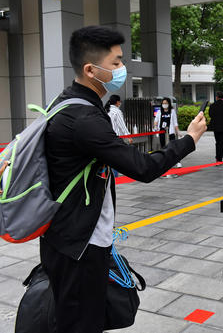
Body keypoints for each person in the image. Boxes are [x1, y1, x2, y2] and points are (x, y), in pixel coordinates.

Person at [41, 25, 207, 333]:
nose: (122, 69)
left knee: (80, 317)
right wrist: (189, 140)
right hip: (80, 245)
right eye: (116, 62)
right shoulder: (84, 119)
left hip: (68, 237)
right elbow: (143, 168)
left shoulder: (69, 104)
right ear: (91, 70)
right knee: (81, 323)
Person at [208, 91, 223, 164]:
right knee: (221, 143)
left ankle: (217, 158)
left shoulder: (212, 105)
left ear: (216, 97)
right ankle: (219, 159)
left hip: (215, 127)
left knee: (217, 142)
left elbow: (210, 115)